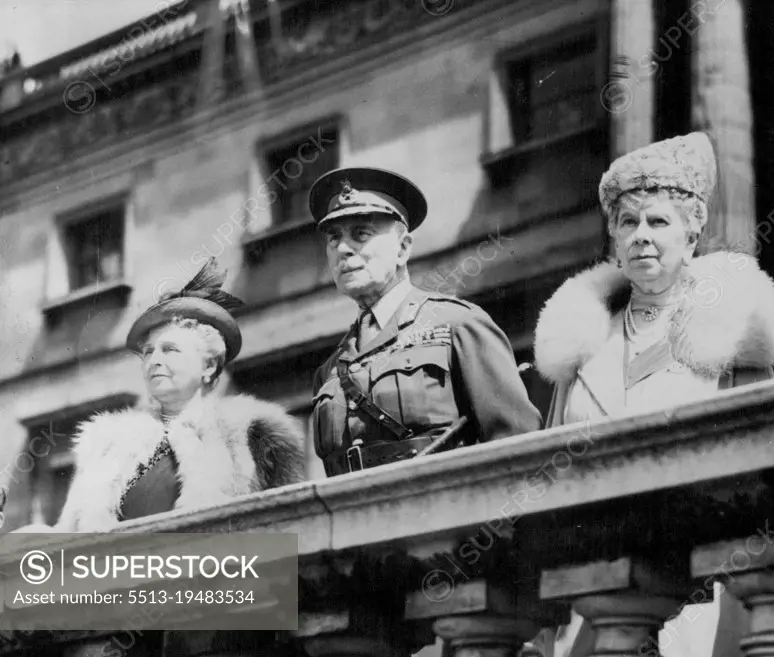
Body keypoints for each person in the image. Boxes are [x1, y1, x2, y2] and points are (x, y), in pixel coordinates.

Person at [532, 132, 774, 657]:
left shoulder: (735, 335)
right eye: (628, 223)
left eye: (658, 222)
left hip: (702, 591)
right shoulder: (579, 345)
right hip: (596, 592)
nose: (641, 237)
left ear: (692, 231)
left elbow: (770, 473)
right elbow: (546, 489)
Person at [15, 260, 306, 533]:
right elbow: (70, 543)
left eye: (170, 350)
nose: (154, 360)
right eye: (148, 352)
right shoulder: (105, 447)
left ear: (208, 365)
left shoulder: (252, 432)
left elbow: (291, 532)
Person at [307, 167, 542, 477]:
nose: (342, 249)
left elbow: (519, 449)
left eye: (360, 234)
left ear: (403, 249)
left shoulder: (457, 325)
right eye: (333, 238)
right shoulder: (330, 370)